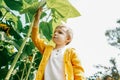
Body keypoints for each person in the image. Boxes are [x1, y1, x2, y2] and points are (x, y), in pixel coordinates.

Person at [31, 7, 85, 80]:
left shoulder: (71, 52)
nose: (55, 33)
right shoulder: (47, 50)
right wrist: (36, 20)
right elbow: (35, 39)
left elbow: (78, 71)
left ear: (68, 39)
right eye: (54, 32)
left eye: (60, 32)